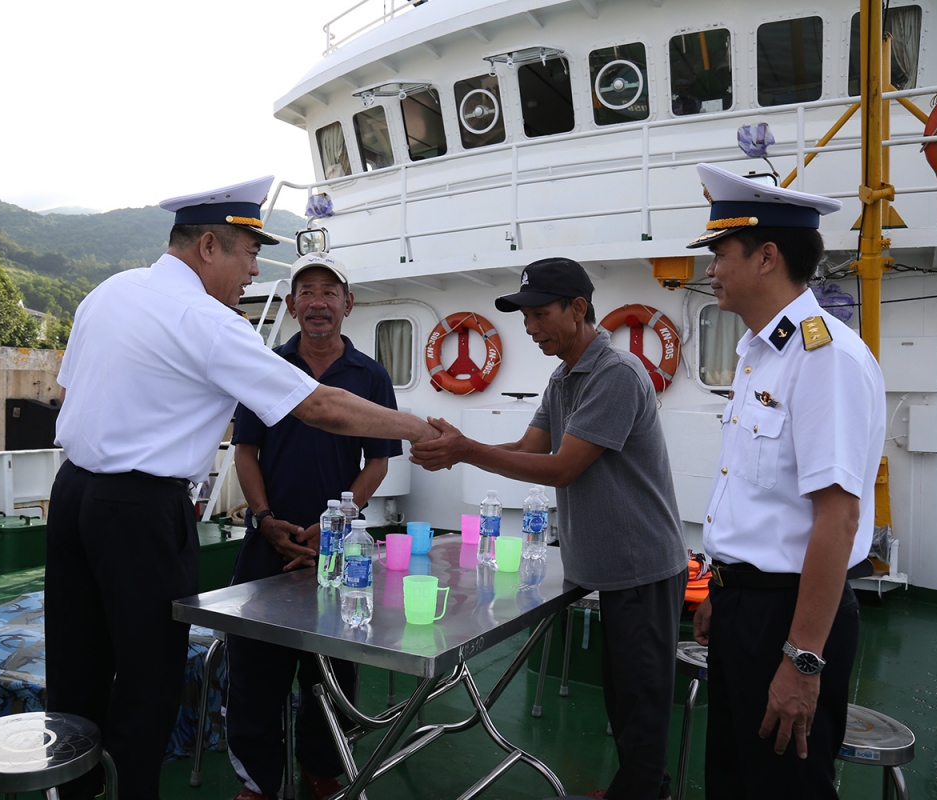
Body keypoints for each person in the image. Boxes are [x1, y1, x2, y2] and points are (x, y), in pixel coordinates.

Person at [46, 177, 437, 800]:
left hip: (71, 498)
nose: (255, 272)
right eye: (248, 254)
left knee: (75, 667)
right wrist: (422, 428)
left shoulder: (110, 291)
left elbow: (66, 394)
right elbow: (320, 408)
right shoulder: (205, 319)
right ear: (209, 246)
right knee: (147, 677)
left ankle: (71, 790)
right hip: (141, 512)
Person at [409, 257, 687, 800]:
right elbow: (528, 448)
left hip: (643, 566)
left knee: (641, 701)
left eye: (539, 315)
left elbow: (562, 466)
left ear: (578, 309)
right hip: (608, 568)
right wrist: (458, 449)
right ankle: (637, 789)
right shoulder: (564, 377)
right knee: (622, 693)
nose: (531, 329)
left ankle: (643, 791)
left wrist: (467, 450)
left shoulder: (616, 375)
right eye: (526, 317)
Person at [687, 164, 885, 799]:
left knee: (784, 787)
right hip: (746, 608)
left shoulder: (825, 359)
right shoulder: (759, 354)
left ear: (766, 256)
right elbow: (757, 497)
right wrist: (723, 590)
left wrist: (802, 662)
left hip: (792, 618)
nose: (711, 268)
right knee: (735, 782)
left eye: (721, 252)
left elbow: (839, 519)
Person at [225, 252, 400, 800]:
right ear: (293, 304)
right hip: (268, 539)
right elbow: (246, 450)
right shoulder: (268, 367)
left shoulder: (370, 375)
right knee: (253, 667)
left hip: (337, 546)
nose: (318, 302)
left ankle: (322, 772)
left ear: (347, 304)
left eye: (330, 291)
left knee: (332, 670)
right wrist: (264, 518)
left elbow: (378, 460)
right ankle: (258, 782)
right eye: (307, 291)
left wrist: (337, 523)